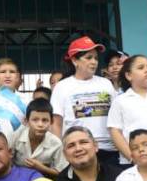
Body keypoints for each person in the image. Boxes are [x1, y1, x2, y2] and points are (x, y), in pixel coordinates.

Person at [50, 36, 118, 164]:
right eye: (88, 58)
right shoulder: (62, 87)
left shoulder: (106, 84)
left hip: (109, 151)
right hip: (78, 151)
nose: (94, 62)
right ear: (75, 60)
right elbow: (56, 124)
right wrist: (61, 153)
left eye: (96, 58)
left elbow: (116, 117)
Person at [107, 54, 147, 166]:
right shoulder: (120, 101)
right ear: (129, 75)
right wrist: (132, 158)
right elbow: (115, 131)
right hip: (131, 164)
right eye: (141, 68)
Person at [10, 98, 69, 178]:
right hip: (16, 179)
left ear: (51, 122)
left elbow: (61, 172)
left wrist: (41, 168)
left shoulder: (56, 143)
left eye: (45, 120)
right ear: (27, 121)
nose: (40, 124)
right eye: (35, 120)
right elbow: (7, 161)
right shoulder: (16, 136)